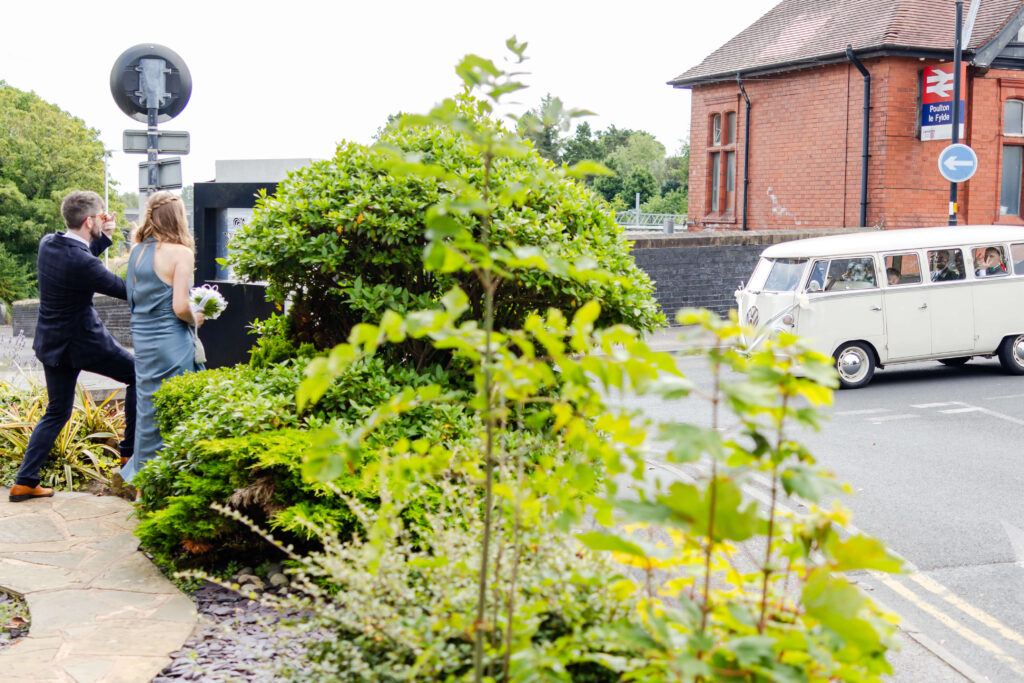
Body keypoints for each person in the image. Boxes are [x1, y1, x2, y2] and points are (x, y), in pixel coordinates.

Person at [9, 191, 136, 502]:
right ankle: (128, 454)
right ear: (89, 220)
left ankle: (25, 481)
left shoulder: (48, 244)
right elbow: (125, 290)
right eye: (100, 216)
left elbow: (80, 253)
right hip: (84, 343)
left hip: (52, 345)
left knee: (56, 412)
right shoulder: (82, 263)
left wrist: (103, 237)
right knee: (138, 375)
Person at [119, 192, 205, 485]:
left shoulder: (137, 252)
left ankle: (144, 486)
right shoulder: (182, 253)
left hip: (143, 341)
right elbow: (180, 307)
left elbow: (133, 299)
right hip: (172, 343)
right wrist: (198, 316)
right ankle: (173, 482)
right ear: (178, 217)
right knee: (176, 411)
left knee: (148, 413)